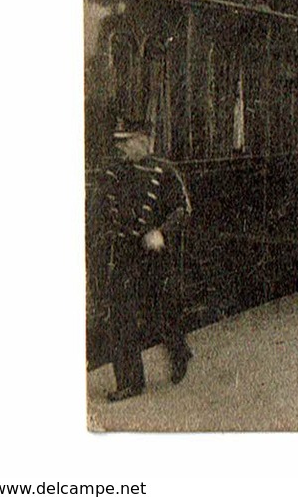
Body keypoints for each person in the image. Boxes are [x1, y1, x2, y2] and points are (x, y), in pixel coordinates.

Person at [90, 119, 193, 402]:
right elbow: (98, 210)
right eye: (118, 142)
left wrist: (162, 232)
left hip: (152, 254)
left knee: (157, 313)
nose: (120, 147)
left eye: (126, 141)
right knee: (120, 315)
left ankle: (179, 350)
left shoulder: (164, 171)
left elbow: (183, 209)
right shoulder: (112, 172)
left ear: (143, 142)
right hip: (123, 252)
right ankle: (130, 382)